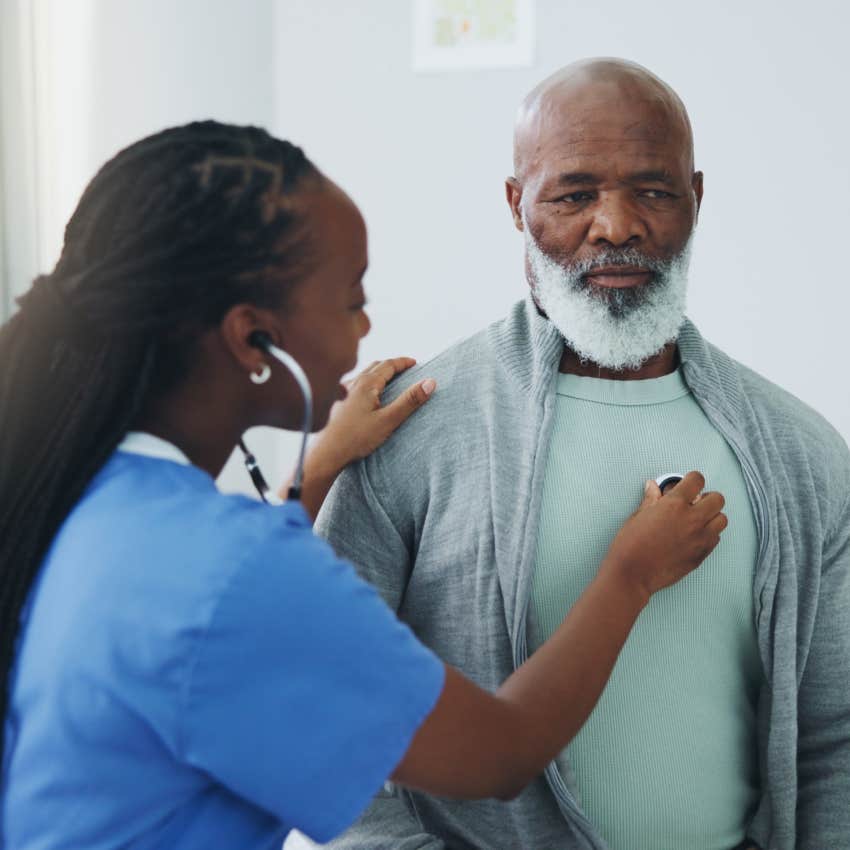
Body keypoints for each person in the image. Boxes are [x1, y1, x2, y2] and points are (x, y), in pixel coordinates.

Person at [0, 122, 726, 850]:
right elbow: (499, 752)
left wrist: (317, 471)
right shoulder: (233, 575)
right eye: (351, 299)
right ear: (254, 340)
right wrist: (630, 574)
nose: (367, 323)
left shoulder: (79, 499)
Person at [316, 59, 850, 850]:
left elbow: (835, 735)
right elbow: (325, 709)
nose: (616, 226)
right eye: (573, 195)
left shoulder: (800, 453)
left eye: (654, 191)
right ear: (516, 204)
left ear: (696, 199)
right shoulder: (410, 434)